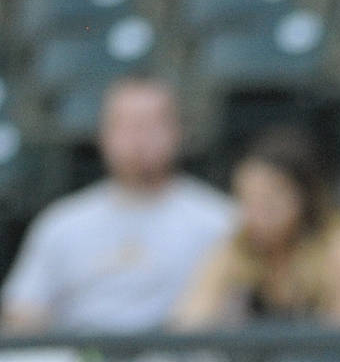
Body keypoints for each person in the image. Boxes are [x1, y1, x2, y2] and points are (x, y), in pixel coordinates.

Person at [2, 79, 233, 334]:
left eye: (151, 125)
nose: (139, 139)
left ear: (177, 132)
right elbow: (22, 310)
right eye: (126, 126)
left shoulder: (219, 220)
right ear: (103, 135)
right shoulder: (62, 222)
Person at [171, 128, 340, 328]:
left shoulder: (339, 246)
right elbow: (189, 324)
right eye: (247, 200)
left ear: (304, 198)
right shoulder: (237, 246)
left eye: (268, 201)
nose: (256, 215)